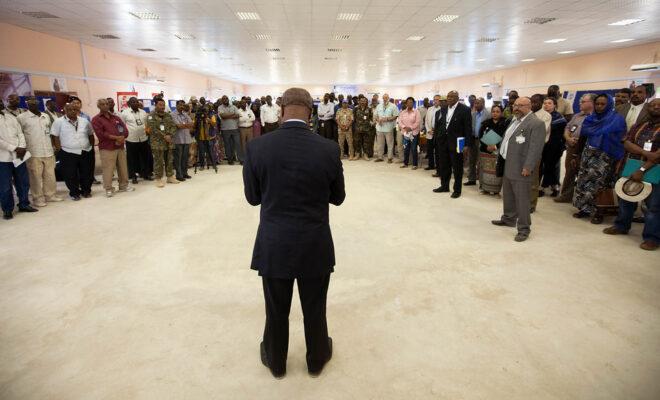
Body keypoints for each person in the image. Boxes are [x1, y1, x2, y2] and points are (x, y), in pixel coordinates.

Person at [243, 87, 345, 379]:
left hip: (274, 242)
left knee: (276, 309)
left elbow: (253, 197)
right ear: (311, 112)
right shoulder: (328, 148)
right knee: (315, 306)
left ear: (281, 109)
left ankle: (276, 361)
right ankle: (317, 358)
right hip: (315, 241)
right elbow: (338, 197)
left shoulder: (257, 147)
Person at [603, 98, 660, 251]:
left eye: (658, 105)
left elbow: (658, 157)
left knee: (653, 207)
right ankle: (621, 225)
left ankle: (652, 238)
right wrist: (644, 152)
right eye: (652, 105)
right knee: (626, 198)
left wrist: (642, 170)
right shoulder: (640, 125)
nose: (655, 107)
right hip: (631, 166)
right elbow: (626, 142)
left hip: (654, 171)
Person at [491, 97, 546, 242]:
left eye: (520, 106)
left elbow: (535, 148)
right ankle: (508, 219)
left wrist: (528, 166)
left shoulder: (536, 123)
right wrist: (497, 148)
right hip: (508, 163)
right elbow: (507, 140)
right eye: (515, 105)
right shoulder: (513, 120)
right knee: (508, 195)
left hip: (521, 166)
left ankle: (524, 228)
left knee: (522, 199)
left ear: (529, 106)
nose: (516, 108)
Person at [573, 94, 627, 223]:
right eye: (597, 104)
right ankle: (584, 208)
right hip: (588, 155)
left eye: (602, 104)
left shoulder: (617, 119)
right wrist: (577, 154)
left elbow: (620, 139)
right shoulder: (590, 119)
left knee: (600, 184)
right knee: (584, 182)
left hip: (606, 156)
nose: (599, 106)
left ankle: (599, 212)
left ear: (609, 104)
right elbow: (583, 137)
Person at [16, 96, 62, 207]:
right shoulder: (21, 117)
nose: (33, 103)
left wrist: (54, 146)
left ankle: (50, 195)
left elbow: (50, 133)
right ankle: (38, 198)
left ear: (38, 102)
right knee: (35, 177)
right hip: (33, 152)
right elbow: (19, 134)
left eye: (35, 101)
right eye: (30, 102)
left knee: (50, 175)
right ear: (26, 103)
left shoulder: (45, 116)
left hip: (48, 150)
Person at [555, 93, 596, 203]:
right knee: (569, 172)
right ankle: (565, 195)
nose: (580, 103)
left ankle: (582, 198)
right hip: (572, 147)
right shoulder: (577, 116)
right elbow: (568, 128)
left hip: (588, 149)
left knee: (585, 174)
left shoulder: (596, 117)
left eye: (583, 102)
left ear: (592, 103)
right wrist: (568, 138)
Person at [50, 103, 94, 201]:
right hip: (67, 151)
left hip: (85, 150)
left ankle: (86, 191)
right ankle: (74, 193)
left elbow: (90, 134)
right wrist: (59, 149)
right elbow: (55, 136)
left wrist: (91, 146)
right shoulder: (58, 122)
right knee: (70, 174)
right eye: (70, 110)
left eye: (75, 109)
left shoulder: (84, 121)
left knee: (86, 172)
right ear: (65, 110)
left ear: (78, 110)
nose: (73, 111)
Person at [433, 90, 472, 198]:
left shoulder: (465, 110)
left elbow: (468, 129)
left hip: (457, 143)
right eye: (448, 96)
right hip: (443, 142)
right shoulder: (444, 108)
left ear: (457, 98)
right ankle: (444, 186)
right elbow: (440, 124)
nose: (449, 98)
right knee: (444, 165)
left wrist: (467, 145)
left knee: (457, 167)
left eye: (452, 97)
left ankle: (457, 190)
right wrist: (438, 137)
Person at [1, 107, 38, 220]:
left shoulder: (11, 117)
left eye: (1, 101)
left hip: (19, 156)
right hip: (3, 159)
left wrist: (21, 147)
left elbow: (20, 133)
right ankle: (7, 209)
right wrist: (14, 148)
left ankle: (24, 204)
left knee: (23, 182)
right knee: (5, 186)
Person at [91, 98, 133, 197]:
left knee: (123, 167)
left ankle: (123, 185)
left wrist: (122, 137)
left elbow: (124, 130)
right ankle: (109, 188)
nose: (105, 105)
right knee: (108, 169)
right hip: (107, 148)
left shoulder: (116, 118)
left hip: (120, 146)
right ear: (98, 106)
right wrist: (116, 138)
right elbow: (101, 134)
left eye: (106, 103)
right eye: (102, 104)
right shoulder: (96, 119)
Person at [146, 98, 179, 188]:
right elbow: (152, 128)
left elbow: (173, 126)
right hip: (157, 142)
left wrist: (170, 135)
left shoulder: (168, 115)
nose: (162, 107)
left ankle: (170, 176)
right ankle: (158, 178)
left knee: (169, 159)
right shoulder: (150, 116)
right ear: (155, 105)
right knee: (158, 161)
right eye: (160, 105)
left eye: (163, 105)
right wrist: (165, 136)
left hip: (168, 142)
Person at [539, 97, 567, 197]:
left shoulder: (559, 118)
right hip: (543, 145)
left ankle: (543, 187)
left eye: (549, 103)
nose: (546, 105)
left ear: (555, 105)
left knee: (550, 167)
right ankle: (554, 186)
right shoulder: (541, 116)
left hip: (555, 146)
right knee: (543, 167)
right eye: (545, 103)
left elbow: (563, 134)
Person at [120, 97, 152, 184]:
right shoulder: (124, 113)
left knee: (145, 157)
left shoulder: (143, 112)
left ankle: (145, 174)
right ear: (129, 104)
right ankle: (133, 176)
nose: (135, 103)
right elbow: (121, 126)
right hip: (131, 139)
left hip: (143, 138)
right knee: (132, 159)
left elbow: (147, 124)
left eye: (136, 102)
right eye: (133, 102)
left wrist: (148, 132)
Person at [478, 104, 508, 195]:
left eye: (497, 111)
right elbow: (480, 135)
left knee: (496, 169)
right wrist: (487, 145)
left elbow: (506, 137)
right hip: (485, 149)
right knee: (485, 169)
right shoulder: (486, 123)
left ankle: (496, 190)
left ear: (501, 113)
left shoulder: (505, 123)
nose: (495, 113)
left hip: (499, 150)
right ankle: (484, 188)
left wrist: (495, 146)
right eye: (493, 111)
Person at [466, 97, 488, 185]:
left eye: (478, 103)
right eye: (475, 103)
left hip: (483, 140)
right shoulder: (473, 114)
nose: (476, 105)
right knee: (471, 160)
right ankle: (471, 179)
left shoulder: (488, 114)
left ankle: (482, 182)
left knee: (481, 161)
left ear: (483, 103)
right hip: (473, 139)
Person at [218, 95, 243, 165]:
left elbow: (238, 115)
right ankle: (230, 159)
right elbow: (223, 116)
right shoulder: (220, 107)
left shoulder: (234, 106)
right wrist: (232, 114)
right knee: (227, 145)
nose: (225, 100)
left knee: (238, 144)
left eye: (226, 98)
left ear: (228, 99)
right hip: (225, 129)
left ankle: (241, 159)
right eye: (224, 99)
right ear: (222, 100)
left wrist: (227, 115)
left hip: (235, 128)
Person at [172, 100, 194, 182]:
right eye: (180, 105)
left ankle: (185, 173)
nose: (182, 106)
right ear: (176, 105)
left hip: (186, 139)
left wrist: (184, 125)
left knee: (185, 158)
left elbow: (192, 124)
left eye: (183, 105)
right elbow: (178, 126)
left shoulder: (185, 114)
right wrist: (186, 125)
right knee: (178, 159)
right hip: (178, 140)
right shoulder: (173, 114)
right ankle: (179, 174)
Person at [374, 93, 399, 163]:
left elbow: (396, 116)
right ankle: (380, 157)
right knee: (380, 144)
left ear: (388, 98)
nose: (385, 99)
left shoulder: (393, 106)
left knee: (390, 144)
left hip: (389, 128)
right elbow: (375, 115)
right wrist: (378, 120)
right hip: (379, 128)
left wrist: (387, 119)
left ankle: (390, 158)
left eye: (386, 98)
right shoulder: (379, 106)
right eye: (384, 98)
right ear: (382, 98)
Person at [398, 97, 421, 169]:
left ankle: (415, 164)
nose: (409, 103)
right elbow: (400, 121)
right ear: (406, 103)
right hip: (405, 133)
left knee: (414, 149)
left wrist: (410, 128)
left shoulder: (416, 112)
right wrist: (404, 127)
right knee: (406, 148)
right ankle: (405, 163)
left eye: (411, 102)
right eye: (408, 102)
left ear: (413, 103)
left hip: (413, 133)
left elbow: (418, 122)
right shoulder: (402, 112)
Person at [424, 95, 441, 171]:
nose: (435, 101)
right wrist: (428, 130)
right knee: (430, 150)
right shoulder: (430, 109)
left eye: (437, 99)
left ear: (440, 101)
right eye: (434, 99)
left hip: (438, 134)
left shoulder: (442, 109)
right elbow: (426, 121)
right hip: (429, 133)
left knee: (438, 152)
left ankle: (438, 166)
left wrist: (436, 131)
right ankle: (431, 165)